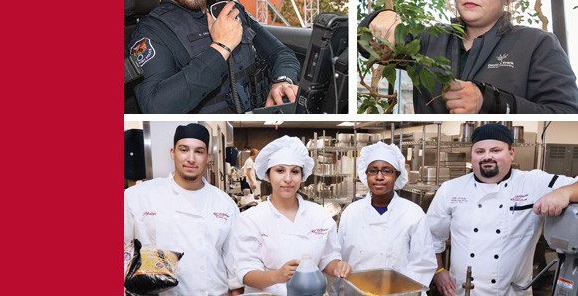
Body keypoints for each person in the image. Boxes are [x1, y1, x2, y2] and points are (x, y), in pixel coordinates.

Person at [361, 0, 578, 114]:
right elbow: (368, 48)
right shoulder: (430, 39)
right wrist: (379, 18)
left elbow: (566, 112)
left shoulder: (536, 44)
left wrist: (489, 100)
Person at [128, 0, 300, 113]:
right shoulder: (152, 30)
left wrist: (282, 81)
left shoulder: (228, 8)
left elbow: (280, 52)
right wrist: (221, 46)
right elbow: (156, 107)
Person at [427, 123, 578, 296]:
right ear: (472, 155)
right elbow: (432, 237)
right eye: (480, 151)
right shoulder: (451, 189)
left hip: (511, 291)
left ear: (511, 153)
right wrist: (438, 271)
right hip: (461, 290)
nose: (487, 157)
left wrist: (564, 193)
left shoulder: (533, 183)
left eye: (496, 150)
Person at [124, 123, 242, 295]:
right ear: (173, 153)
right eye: (184, 150)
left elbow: (234, 265)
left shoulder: (225, 204)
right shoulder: (139, 196)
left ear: (208, 157)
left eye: (199, 151)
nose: (191, 159)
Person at [230, 136, 351, 295]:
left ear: (302, 176)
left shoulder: (319, 215)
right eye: (280, 170)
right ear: (268, 176)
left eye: (294, 171)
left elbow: (328, 257)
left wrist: (337, 266)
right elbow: (245, 273)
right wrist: (277, 276)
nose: (288, 179)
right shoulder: (251, 219)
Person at [329, 141, 437, 295]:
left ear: (397, 174)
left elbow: (422, 264)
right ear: (365, 174)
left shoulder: (413, 214)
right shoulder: (351, 212)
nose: (379, 177)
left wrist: (403, 291)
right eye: (373, 171)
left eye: (386, 171)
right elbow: (338, 259)